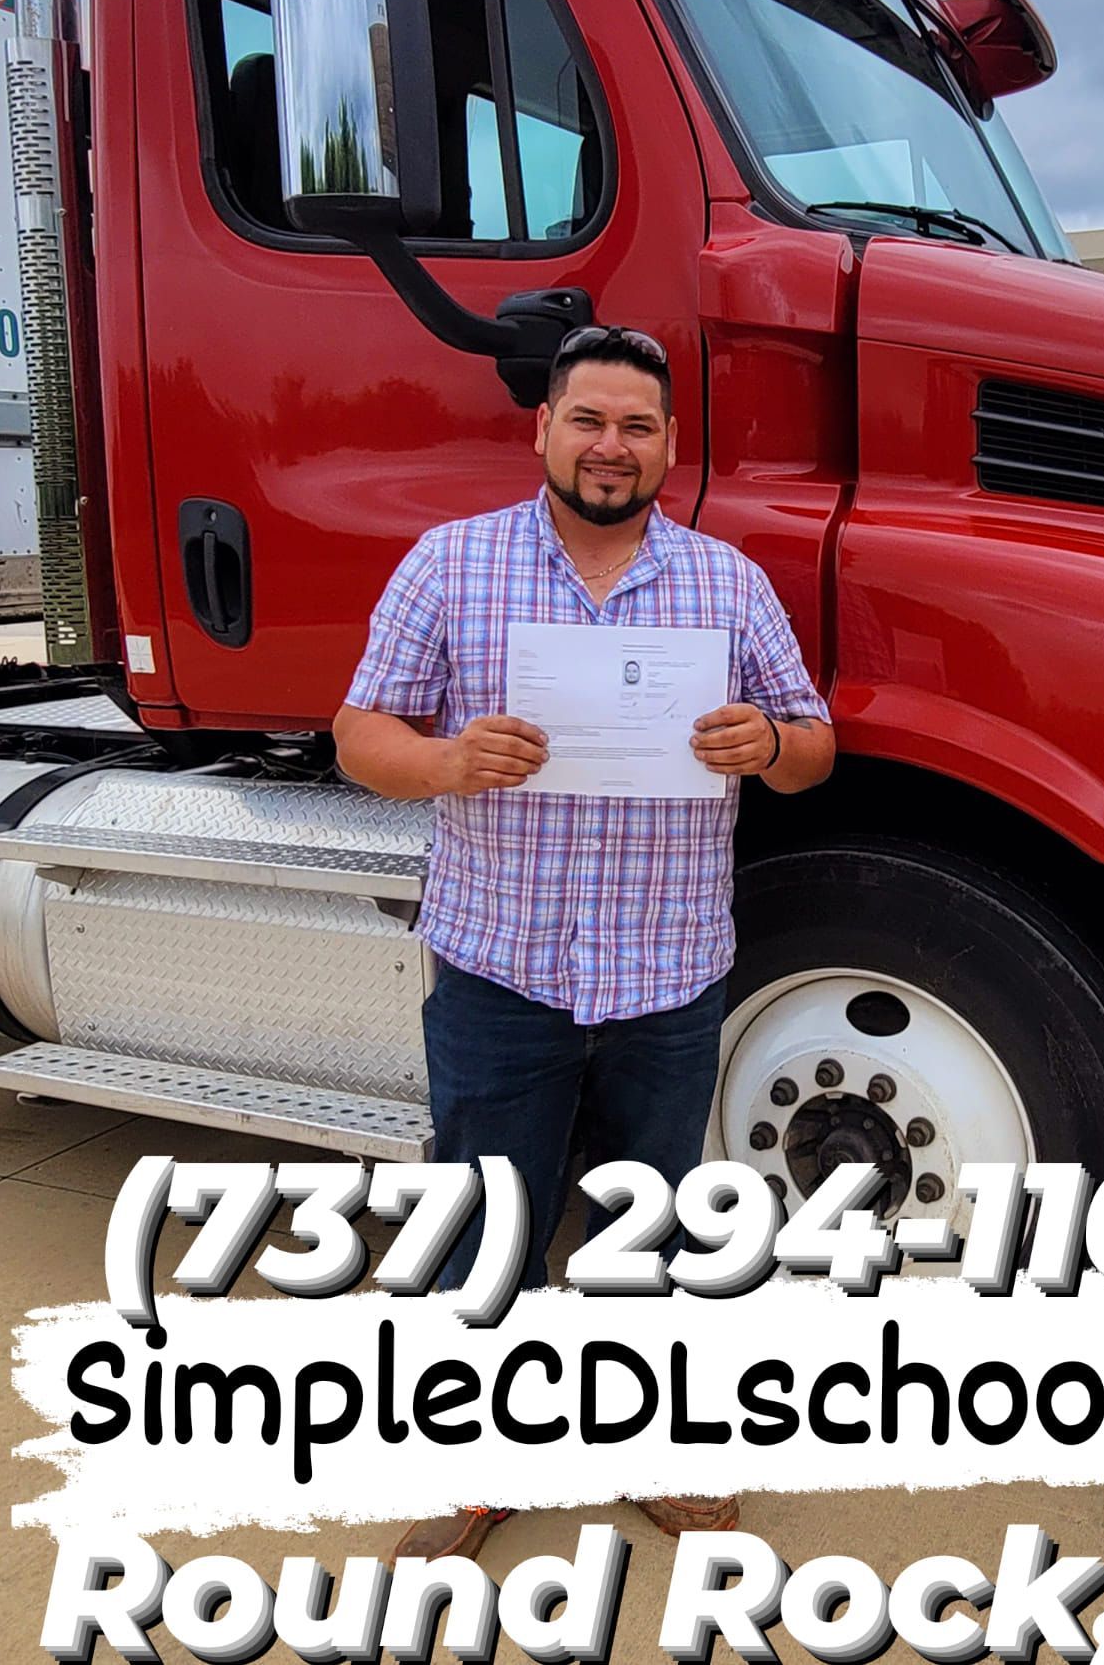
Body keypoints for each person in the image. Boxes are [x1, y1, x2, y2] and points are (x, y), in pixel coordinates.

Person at [334, 324, 835, 1562]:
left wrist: (765, 748)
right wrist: (448, 760)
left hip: (666, 975)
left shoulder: (725, 584)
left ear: (668, 445)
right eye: (590, 421)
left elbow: (815, 739)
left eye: (639, 427)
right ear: (542, 430)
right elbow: (357, 730)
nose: (612, 447)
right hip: (502, 965)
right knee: (486, 1219)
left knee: (647, 1222)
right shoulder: (451, 567)